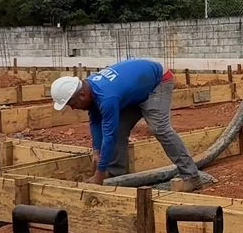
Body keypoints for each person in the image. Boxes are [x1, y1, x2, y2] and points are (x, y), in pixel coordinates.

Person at [51, 61, 202, 188]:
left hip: (157, 82)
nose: (73, 108)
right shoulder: (89, 88)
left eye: (72, 103)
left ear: (82, 95)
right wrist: (96, 151)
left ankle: (191, 176)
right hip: (135, 90)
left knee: (159, 128)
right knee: (119, 127)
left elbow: (108, 137)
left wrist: (99, 173)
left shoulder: (106, 97)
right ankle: (117, 175)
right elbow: (95, 120)